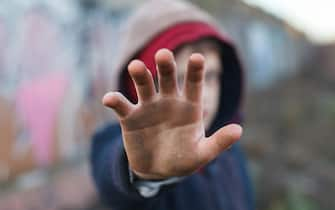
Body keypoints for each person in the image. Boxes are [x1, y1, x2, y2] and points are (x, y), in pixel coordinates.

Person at [90, 0, 254, 209]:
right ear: (139, 89)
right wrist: (143, 173)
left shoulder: (228, 148)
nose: (201, 95)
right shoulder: (110, 142)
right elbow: (111, 176)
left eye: (211, 76)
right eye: (178, 79)